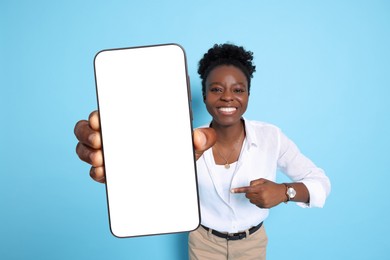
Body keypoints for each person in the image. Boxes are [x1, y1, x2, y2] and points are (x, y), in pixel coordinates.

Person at [74, 43, 331, 260]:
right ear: (205, 95)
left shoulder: (271, 136)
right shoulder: (184, 140)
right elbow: (155, 185)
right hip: (203, 245)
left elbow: (320, 183)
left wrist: (284, 192)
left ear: (249, 95)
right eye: (216, 89)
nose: (227, 97)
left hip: (253, 245)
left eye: (238, 90)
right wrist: (127, 171)